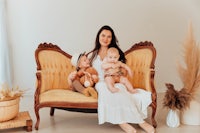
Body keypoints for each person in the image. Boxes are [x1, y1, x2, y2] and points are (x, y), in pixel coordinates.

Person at [69, 25, 155, 133]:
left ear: (112, 39)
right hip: (100, 82)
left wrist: (115, 71)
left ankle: (140, 121)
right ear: (98, 37)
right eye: (103, 35)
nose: (105, 39)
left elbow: (123, 71)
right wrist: (72, 77)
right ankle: (122, 123)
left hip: (115, 78)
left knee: (121, 90)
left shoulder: (115, 52)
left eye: (109, 37)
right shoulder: (91, 55)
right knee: (106, 90)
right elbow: (82, 69)